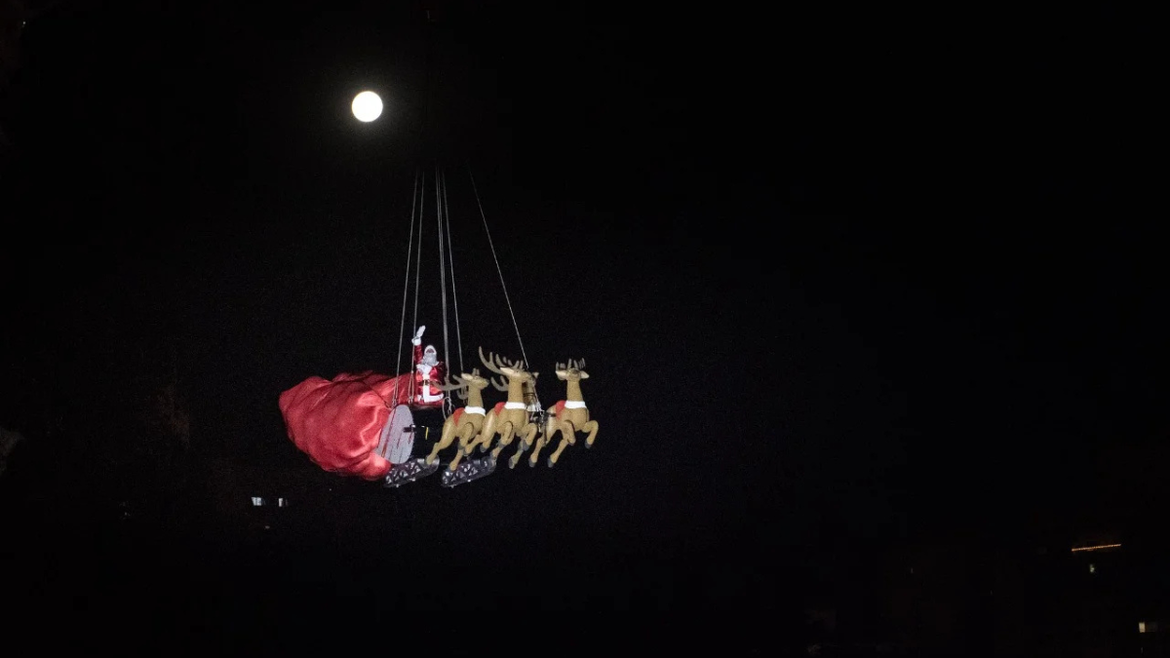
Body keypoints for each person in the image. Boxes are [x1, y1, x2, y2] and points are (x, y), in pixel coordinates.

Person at [411, 325, 446, 407]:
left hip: (436, 401)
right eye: (427, 352)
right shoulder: (421, 364)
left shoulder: (439, 365)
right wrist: (417, 340)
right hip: (421, 401)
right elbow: (418, 353)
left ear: (435, 354)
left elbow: (438, 374)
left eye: (431, 351)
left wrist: (429, 370)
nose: (429, 353)